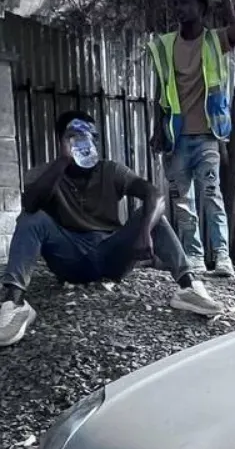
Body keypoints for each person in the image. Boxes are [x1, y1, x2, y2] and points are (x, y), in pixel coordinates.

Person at [0, 110, 219, 348]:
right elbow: (30, 205)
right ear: (63, 140)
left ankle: (189, 287)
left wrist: (144, 230)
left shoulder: (110, 170)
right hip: (69, 260)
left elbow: (154, 194)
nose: (87, 143)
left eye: (92, 137)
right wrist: (64, 161)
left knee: (153, 216)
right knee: (33, 218)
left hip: (110, 256)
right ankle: (14, 303)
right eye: (77, 136)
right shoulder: (46, 173)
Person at [148, 0, 235, 278]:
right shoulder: (166, 45)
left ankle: (222, 256)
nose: (180, 9)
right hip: (176, 138)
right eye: (177, 3)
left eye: (186, 3)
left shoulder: (214, 41)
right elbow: (161, 92)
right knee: (182, 203)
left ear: (202, 9)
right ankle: (193, 257)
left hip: (208, 135)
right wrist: (158, 130)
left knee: (211, 196)